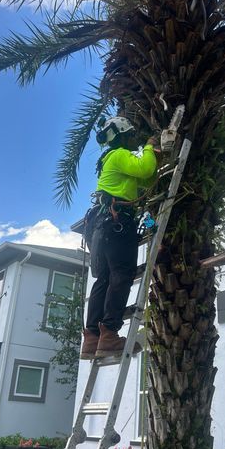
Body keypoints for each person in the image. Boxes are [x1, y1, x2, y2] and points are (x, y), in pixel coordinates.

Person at [81, 116, 159, 360]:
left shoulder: (110, 161)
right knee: (121, 275)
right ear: (122, 136)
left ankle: (92, 337)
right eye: (129, 136)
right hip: (118, 223)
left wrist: (154, 159)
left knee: (102, 279)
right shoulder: (119, 154)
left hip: (101, 227)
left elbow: (146, 179)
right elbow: (146, 168)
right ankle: (110, 333)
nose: (132, 140)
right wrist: (149, 147)